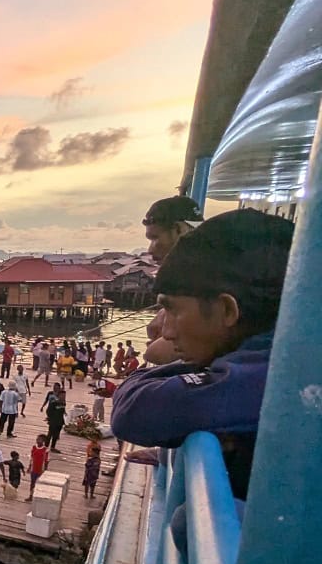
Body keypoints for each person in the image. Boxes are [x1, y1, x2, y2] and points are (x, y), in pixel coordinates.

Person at [111, 210, 293, 500]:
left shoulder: (274, 377)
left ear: (227, 310)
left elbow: (133, 410)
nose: (165, 331)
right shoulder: (274, 354)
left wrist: (153, 372)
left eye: (172, 310)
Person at [141, 195, 205, 365]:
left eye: (155, 238)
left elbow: (156, 354)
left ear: (179, 230)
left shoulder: (201, 277)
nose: (150, 249)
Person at [28, 434, 50, 500]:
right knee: (32, 483)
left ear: (43, 441)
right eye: (37, 439)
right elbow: (31, 458)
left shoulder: (45, 450)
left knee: (39, 483)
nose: (37, 441)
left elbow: (46, 461)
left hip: (41, 469)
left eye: (39, 439)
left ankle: (38, 496)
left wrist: (45, 470)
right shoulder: (34, 447)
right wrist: (29, 467)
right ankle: (31, 495)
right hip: (34, 468)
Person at [45, 388, 68, 452]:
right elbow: (48, 411)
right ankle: (45, 446)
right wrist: (51, 418)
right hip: (53, 421)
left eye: (65, 396)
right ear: (58, 395)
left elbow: (62, 410)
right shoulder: (54, 403)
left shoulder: (63, 403)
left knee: (56, 435)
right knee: (50, 434)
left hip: (60, 421)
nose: (64, 397)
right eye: (62, 395)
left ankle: (53, 447)